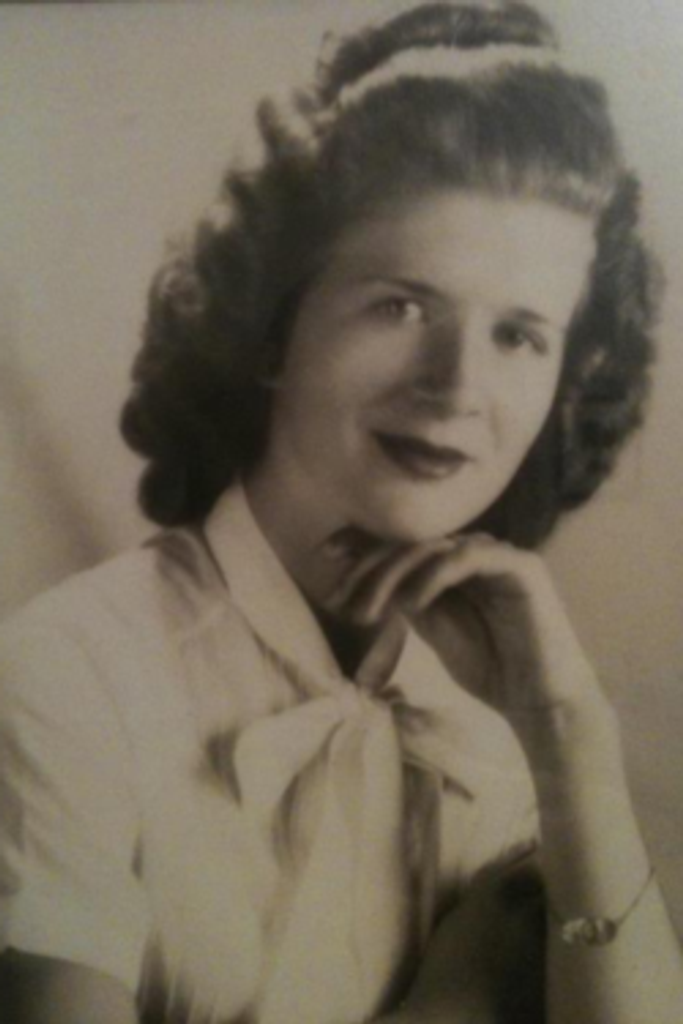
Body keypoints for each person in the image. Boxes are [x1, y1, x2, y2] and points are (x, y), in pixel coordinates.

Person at [1, 2, 681, 1022]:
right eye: (400, 305)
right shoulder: (68, 677)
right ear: (272, 328)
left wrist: (568, 740)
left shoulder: (512, 733)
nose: (456, 385)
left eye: (518, 335)